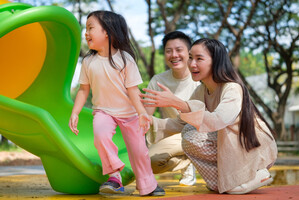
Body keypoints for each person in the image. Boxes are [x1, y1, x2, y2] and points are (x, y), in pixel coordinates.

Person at [141, 38, 277, 194]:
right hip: (229, 145)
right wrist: (146, 120)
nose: (192, 64)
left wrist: (178, 103)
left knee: (191, 135)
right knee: (187, 132)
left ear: (216, 61)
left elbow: (218, 120)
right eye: (191, 57)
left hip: (253, 149)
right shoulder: (201, 90)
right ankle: (223, 183)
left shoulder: (232, 88)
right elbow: (179, 123)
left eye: (199, 59)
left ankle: (255, 174)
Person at [69, 10, 165, 196]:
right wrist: (75, 112)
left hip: (129, 113)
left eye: (90, 28)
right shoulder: (89, 61)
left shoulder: (125, 59)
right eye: (86, 29)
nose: (86, 33)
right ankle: (114, 177)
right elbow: (83, 89)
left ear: (107, 32)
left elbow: (133, 90)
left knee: (139, 151)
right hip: (103, 112)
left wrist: (142, 113)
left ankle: (148, 185)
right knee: (100, 136)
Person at [144, 31, 199, 186]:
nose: (174, 55)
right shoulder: (158, 81)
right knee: (149, 162)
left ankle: (200, 160)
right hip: (174, 133)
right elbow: (145, 116)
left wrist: (175, 101)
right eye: (169, 51)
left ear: (189, 53)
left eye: (179, 50)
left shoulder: (200, 78)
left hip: (202, 134)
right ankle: (188, 161)